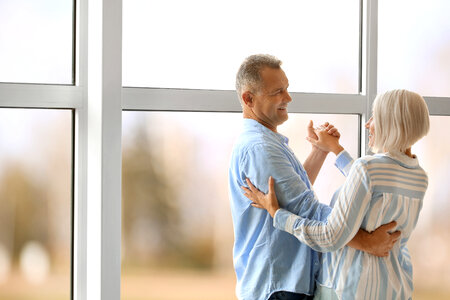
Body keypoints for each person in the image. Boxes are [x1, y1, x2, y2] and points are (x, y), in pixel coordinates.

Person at [229, 54, 400, 300]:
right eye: (277, 92)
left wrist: (319, 152)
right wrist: (367, 242)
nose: (288, 98)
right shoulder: (260, 149)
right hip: (278, 285)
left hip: (284, 282)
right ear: (248, 98)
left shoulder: (267, 142)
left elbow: (295, 196)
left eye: (286, 89)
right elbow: (307, 210)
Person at [242, 89, 430, 300]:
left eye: (374, 117)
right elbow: (372, 186)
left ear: (391, 121)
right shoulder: (419, 176)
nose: (367, 124)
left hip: (347, 289)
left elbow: (330, 237)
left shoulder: (368, 169)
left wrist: (277, 213)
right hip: (396, 288)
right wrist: (335, 149)